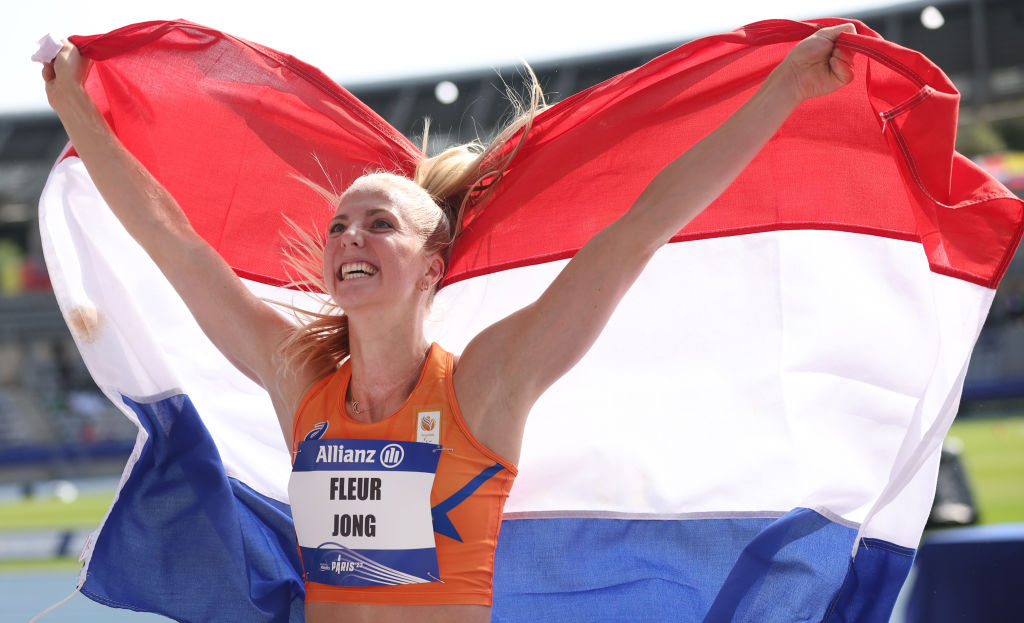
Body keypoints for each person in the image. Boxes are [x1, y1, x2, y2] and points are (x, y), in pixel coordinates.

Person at [42, 22, 855, 623]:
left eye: (379, 224)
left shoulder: (485, 384)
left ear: (431, 268)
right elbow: (174, 242)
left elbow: (638, 229)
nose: (350, 237)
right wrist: (76, 109)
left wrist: (782, 91)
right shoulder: (299, 382)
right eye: (339, 226)